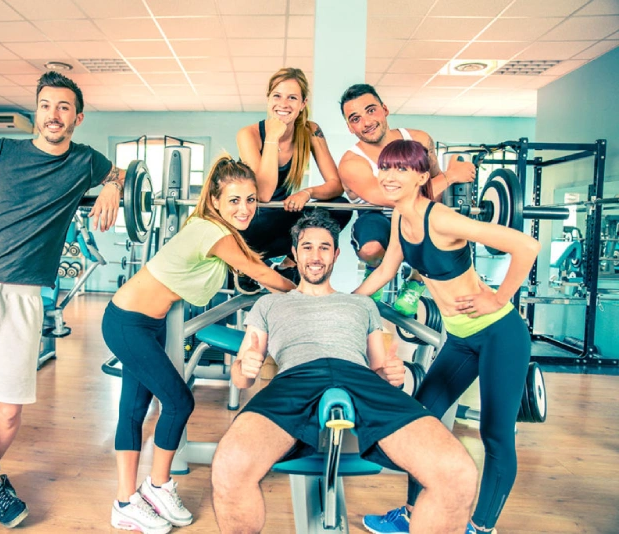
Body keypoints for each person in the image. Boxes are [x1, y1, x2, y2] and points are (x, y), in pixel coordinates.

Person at [0, 71, 125, 528]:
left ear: (77, 117)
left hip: (23, 292)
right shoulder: (1, 151)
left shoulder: (85, 162)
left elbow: (120, 170)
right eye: (45, 105)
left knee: (10, 407)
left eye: (63, 107)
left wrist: (115, 184)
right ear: (35, 110)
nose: (52, 115)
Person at [212, 211, 478, 534]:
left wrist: (391, 374)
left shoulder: (361, 305)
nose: (315, 256)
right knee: (229, 465)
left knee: (458, 473)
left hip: (358, 377)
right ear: (294, 254)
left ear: (336, 254)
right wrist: (245, 367)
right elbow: (241, 379)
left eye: (324, 248)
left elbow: (380, 368)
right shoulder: (269, 305)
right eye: (307, 247)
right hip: (295, 379)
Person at [103, 155, 296, 534]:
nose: (245, 208)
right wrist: (307, 295)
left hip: (146, 324)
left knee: (135, 407)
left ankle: (130, 500)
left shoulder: (219, 231)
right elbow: (255, 271)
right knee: (178, 401)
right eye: (235, 200)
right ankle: (154, 490)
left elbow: (251, 266)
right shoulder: (213, 232)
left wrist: (281, 270)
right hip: (127, 322)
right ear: (216, 202)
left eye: (251, 200)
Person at [355, 140, 541, 534]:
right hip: (459, 340)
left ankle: (480, 527)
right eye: (386, 168)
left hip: (499, 335)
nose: (389, 176)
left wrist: (498, 297)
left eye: (401, 169)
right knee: (419, 421)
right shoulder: (397, 219)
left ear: (422, 177)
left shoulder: (439, 218)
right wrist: (342, 304)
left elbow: (526, 245)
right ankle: (410, 515)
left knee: (495, 433)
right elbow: (386, 269)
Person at [338, 83, 476, 315]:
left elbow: (434, 185)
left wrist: (450, 179)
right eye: (355, 118)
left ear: (385, 109)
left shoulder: (420, 140)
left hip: (420, 212)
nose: (366, 122)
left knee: (437, 235)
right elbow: (391, 198)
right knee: (371, 249)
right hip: (378, 215)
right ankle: (375, 268)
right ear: (350, 127)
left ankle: (415, 281)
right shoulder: (352, 163)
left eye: (371, 110)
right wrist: (451, 176)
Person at [236, 67, 352, 290]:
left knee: (341, 208)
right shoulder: (248, 134)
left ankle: (289, 264)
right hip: (252, 220)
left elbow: (336, 186)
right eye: (277, 96)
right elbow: (263, 194)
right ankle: (250, 263)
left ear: (303, 103)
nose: (284, 103)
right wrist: (272, 136)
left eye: (292, 97)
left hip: (283, 214)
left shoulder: (310, 131)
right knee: (260, 217)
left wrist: (306, 193)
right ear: (268, 99)